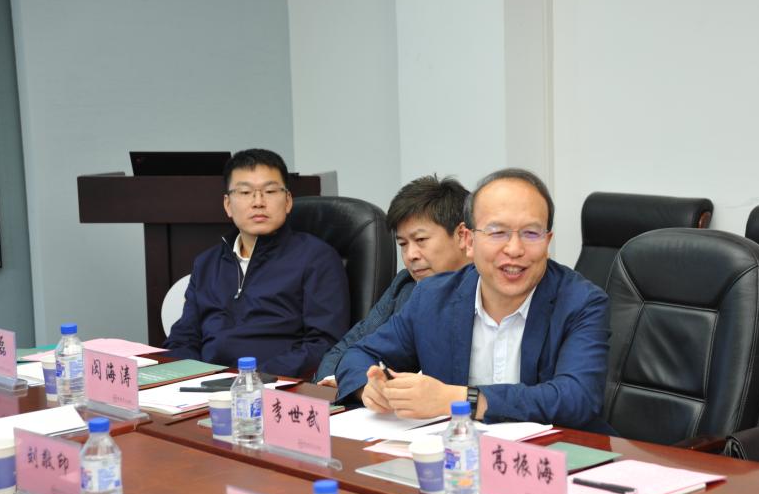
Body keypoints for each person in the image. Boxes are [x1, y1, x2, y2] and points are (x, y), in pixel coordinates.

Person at [335, 168, 613, 433]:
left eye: (531, 233)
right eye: (497, 232)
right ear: (468, 241)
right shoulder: (433, 297)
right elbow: (358, 356)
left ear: (547, 241)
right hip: (457, 453)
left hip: (554, 456)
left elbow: (577, 398)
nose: (514, 249)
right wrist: (371, 388)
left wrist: (456, 399)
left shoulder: (581, 302)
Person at [164, 148, 349, 376]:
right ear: (228, 205)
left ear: (288, 201)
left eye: (270, 191)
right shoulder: (207, 263)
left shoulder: (317, 258)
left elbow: (324, 343)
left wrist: (251, 380)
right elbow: (184, 338)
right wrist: (188, 378)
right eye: (245, 192)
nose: (258, 202)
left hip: (276, 385)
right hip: (206, 386)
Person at [314, 175, 470, 384]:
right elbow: (349, 347)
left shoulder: (489, 293)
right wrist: (336, 383)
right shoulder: (405, 285)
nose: (411, 255)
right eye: (403, 244)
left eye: (421, 240)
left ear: (462, 235)